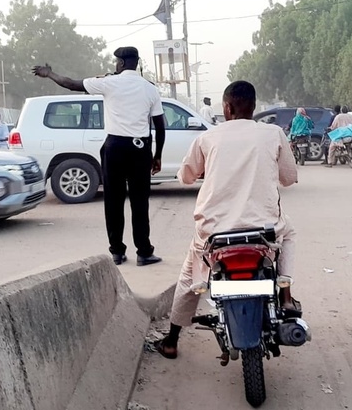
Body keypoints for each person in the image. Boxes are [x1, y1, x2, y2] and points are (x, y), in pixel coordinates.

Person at [154, 80, 299, 359]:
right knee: (288, 233)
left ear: (226, 107)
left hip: (214, 233)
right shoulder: (273, 134)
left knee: (190, 276)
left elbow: (185, 177)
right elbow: (289, 178)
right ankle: (286, 295)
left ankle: (171, 341)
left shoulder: (208, 138)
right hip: (264, 231)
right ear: (254, 107)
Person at [32, 46, 166, 267]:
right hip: (140, 148)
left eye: (116, 62)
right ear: (136, 63)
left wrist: (50, 74)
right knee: (139, 203)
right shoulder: (150, 89)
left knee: (113, 201)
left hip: (115, 147)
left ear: (121, 64)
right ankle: (144, 252)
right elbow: (160, 126)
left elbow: (72, 84)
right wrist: (157, 155)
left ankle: (117, 252)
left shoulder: (108, 83)